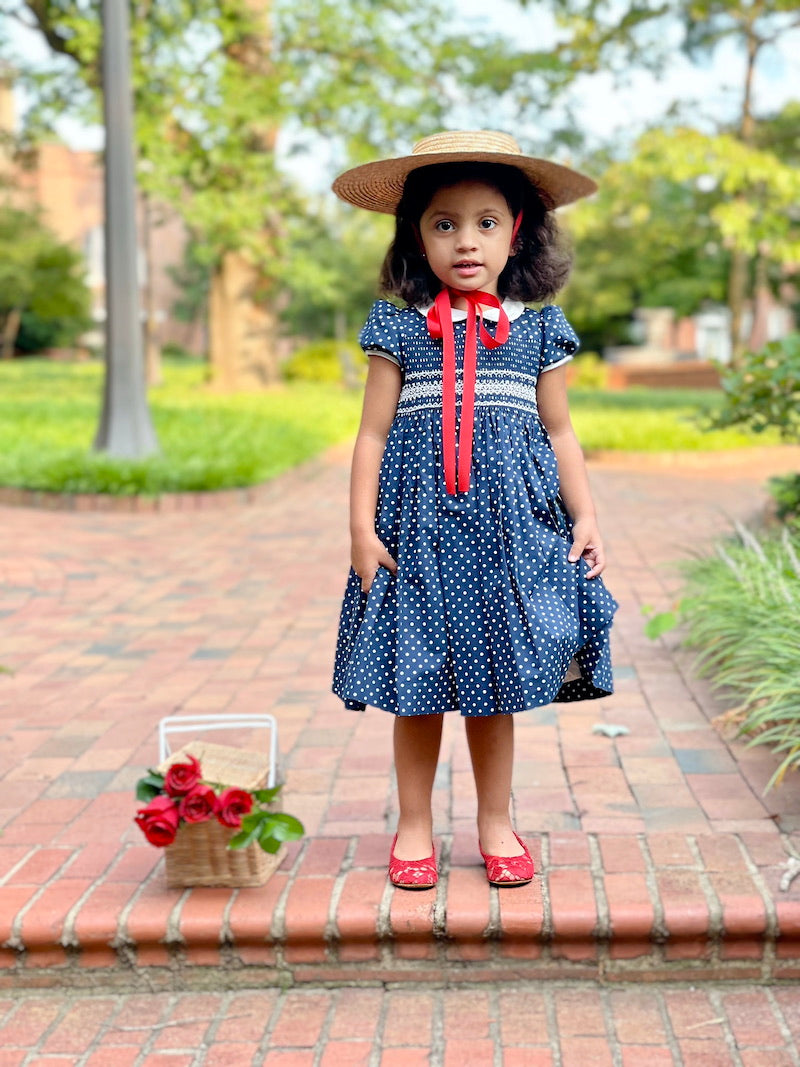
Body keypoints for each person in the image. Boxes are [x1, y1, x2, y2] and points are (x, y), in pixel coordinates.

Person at [331, 131, 617, 891]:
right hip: (416, 537)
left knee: (496, 693)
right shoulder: (398, 328)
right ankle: (415, 823)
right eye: (444, 223)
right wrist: (361, 530)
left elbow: (560, 431)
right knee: (414, 685)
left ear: (516, 230)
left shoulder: (536, 330)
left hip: (510, 537)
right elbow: (371, 433)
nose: (465, 241)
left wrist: (584, 514)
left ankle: (496, 822)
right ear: (415, 234)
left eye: (486, 222)